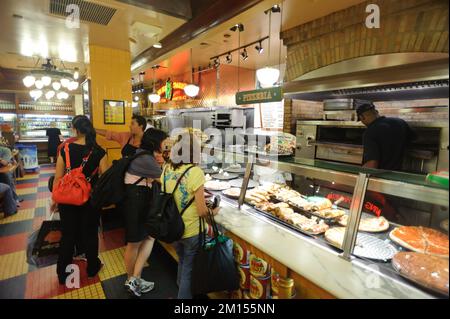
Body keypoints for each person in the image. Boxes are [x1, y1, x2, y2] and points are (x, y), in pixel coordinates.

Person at [162, 132, 220, 299]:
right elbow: (202, 211)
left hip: (172, 228)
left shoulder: (167, 168)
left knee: (182, 261)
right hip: (190, 231)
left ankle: (180, 289)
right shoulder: (195, 172)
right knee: (188, 268)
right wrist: (215, 211)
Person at [53, 117, 109, 284]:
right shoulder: (99, 151)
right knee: (91, 234)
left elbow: (58, 177)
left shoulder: (66, 149)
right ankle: (92, 268)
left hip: (66, 200)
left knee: (68, 235)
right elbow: (104, 180)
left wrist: (55, 199)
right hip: (89, 201)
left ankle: (63, 274)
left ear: (76, 130)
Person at [121, 128, 169, 297]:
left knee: (148, 237)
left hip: (137, 200)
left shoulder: (142, 154)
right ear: (155, 142)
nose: (166, 144)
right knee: (134, 243)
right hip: (136, 201)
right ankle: (132, 280)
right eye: (164, 141)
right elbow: (165, 181)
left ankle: (135, 278)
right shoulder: (146, 159)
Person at [357, 103, 415, 170]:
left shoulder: (369, 132)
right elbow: (413, 140)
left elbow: (372, 164)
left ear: (362, 117)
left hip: (381, 176)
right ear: (376, 112)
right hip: (400, 174)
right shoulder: (400, 122)